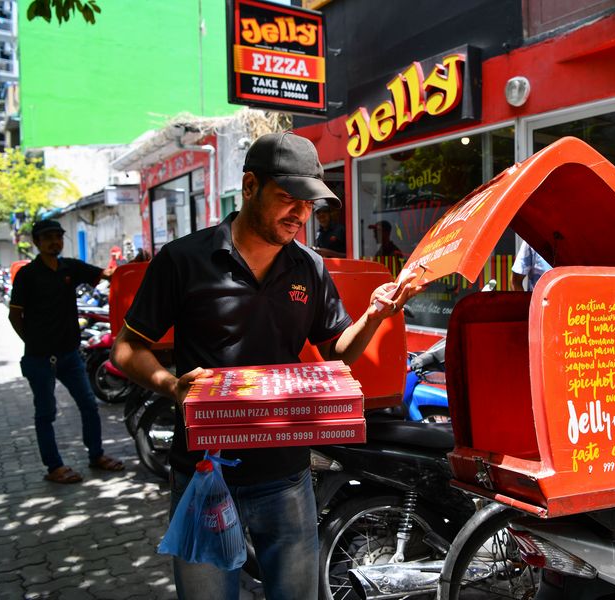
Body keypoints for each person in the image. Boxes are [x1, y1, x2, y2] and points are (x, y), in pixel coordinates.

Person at [111, 131, 422, 600]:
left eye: (309, 203)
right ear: (250, 186)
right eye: (288, 198)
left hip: (286, 475)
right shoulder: (184, 260)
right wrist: (171, 385)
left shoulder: (309, 267)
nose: (300, 213)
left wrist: (374, 316)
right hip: (203, 473)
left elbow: (336, 353)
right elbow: (126, 348)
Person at [8, 219, 124, 484]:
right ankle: (54, 467)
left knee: (89, 405)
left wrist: (135, 265)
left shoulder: (70, 267)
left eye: (58, 236)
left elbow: (108, 274)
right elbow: (15, 316)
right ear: (37, 242)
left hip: (70, 355)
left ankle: (96, 455)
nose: (54, 242)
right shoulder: (28, 275)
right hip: (39, 359)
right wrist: (33, 341)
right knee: (46, 413)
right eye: (48, 237)